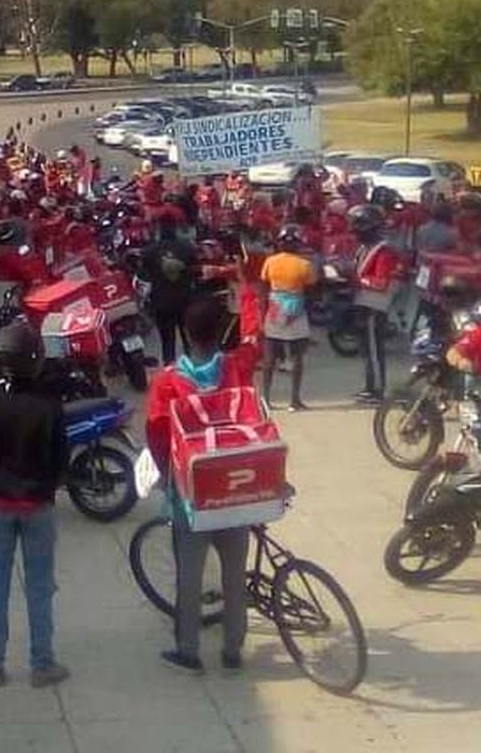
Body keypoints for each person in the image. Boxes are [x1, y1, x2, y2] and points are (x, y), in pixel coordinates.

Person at [144, 295, 260, 675]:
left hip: (192, 494)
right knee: (233, 574)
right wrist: (246, 291)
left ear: (186, 334)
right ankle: (232, 649)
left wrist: (167, 475)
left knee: (190, 576)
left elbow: (157, 434)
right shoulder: (237, 367)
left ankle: (188, 650)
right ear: (220, 332)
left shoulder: (168, 381)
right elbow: (254, 337)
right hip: (235, 488)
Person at [0, 323, 71, 689]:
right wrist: (44, 487)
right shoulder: (49, 406)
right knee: (40, 587)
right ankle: (42, 663)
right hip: (38, 508)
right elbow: (61, 462)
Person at [260, 226, 318, 411]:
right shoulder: (305, 265)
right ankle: (294, 400)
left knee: (269, 357)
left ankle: (265, 399)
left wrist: (263, 314)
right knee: (296, 356)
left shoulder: (270, 261)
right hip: (296, 310)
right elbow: (311, 289)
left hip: (274, 308)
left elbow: (263, 288)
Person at [350, 205, 402, 404]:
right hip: (364, 303)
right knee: (366, 350)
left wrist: (356, 279)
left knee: (373, 350)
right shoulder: (367, 247)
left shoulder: (383, 251)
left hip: (374, 306)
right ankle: (369, 388)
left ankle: (378, 391)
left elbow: (381, 283)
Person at [141, 213, 198, 365]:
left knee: (167, 341)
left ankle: (170, 371)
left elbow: (144, 273)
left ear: (159, 229)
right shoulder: (187, 248)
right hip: (184, 299)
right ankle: (194, 371)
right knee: (189, 339)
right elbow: (195, 269)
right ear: (175, 228)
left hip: (161, 302)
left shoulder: (149, 251)